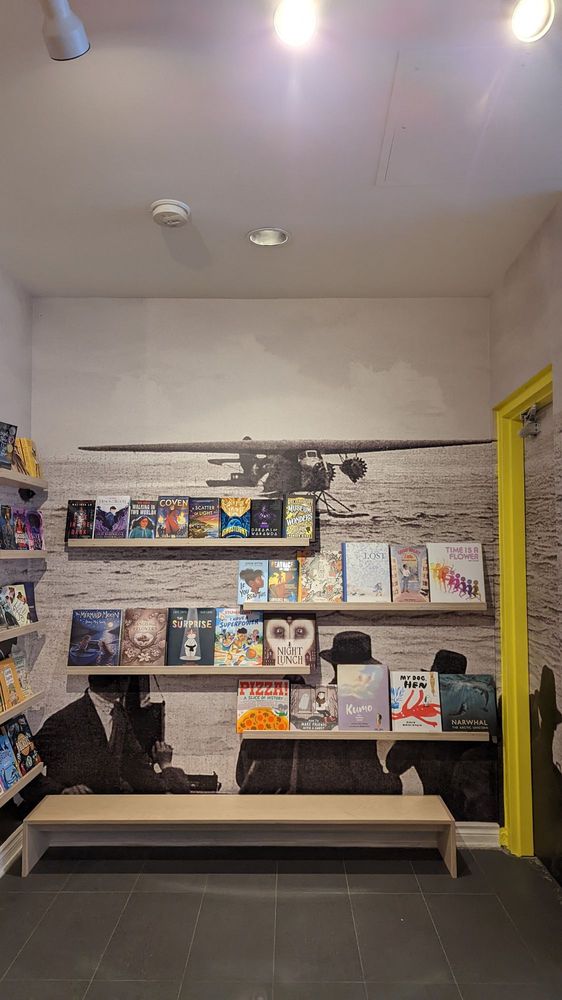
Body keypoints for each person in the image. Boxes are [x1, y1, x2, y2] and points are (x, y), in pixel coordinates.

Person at [26, 675, 192, 798]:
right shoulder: (64, 720)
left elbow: (136, 766)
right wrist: (61, 791)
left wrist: (168, 771)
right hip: (74, 814)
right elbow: (25, 771)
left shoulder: (118, 713)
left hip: (108, 809)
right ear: (120, 681)